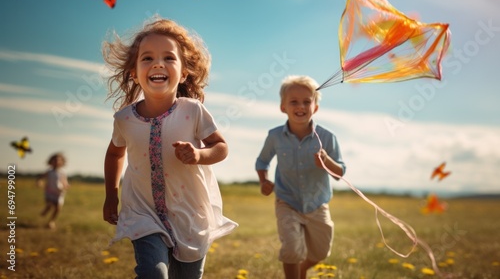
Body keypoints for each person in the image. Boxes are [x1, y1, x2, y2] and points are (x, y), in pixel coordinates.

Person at [102, 17, 237, 279]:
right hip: (143, 212)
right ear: (134, 72)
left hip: (189, 213)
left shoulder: (193, 111)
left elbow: (220, 147)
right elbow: (114, 152)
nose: (158, 64)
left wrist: (198, 155)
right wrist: (111, 194)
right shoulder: (125, 119)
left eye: (169, 58)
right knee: (153, 274)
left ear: (184, 72)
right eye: (147, 58)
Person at [255, 75, 346, 279]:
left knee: (321, 252)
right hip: (287, 202)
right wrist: (264, 181)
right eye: (294, 101)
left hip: (317, 203)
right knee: (292, 250)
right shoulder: (275, 136)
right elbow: (262, 162)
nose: (301, 106)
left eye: (307, 101)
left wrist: (327, 161)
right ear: (283, 107)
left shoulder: (327, 138)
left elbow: (340, 172)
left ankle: (302, 270)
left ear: (315, 107)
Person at [37, 152, 69, 229]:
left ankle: (51, 222)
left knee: (58, 209)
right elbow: (41, 178)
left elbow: (64, 181)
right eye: (54, 160)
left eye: (59, 160)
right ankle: (47, 209)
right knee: (50, 204)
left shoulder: (63, 172)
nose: (57, 162)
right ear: (51, 162)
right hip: (50, 192)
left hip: (59, 193)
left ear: (62, 162)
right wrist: (39, 182)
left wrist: (66, 185)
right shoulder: (49, 171)